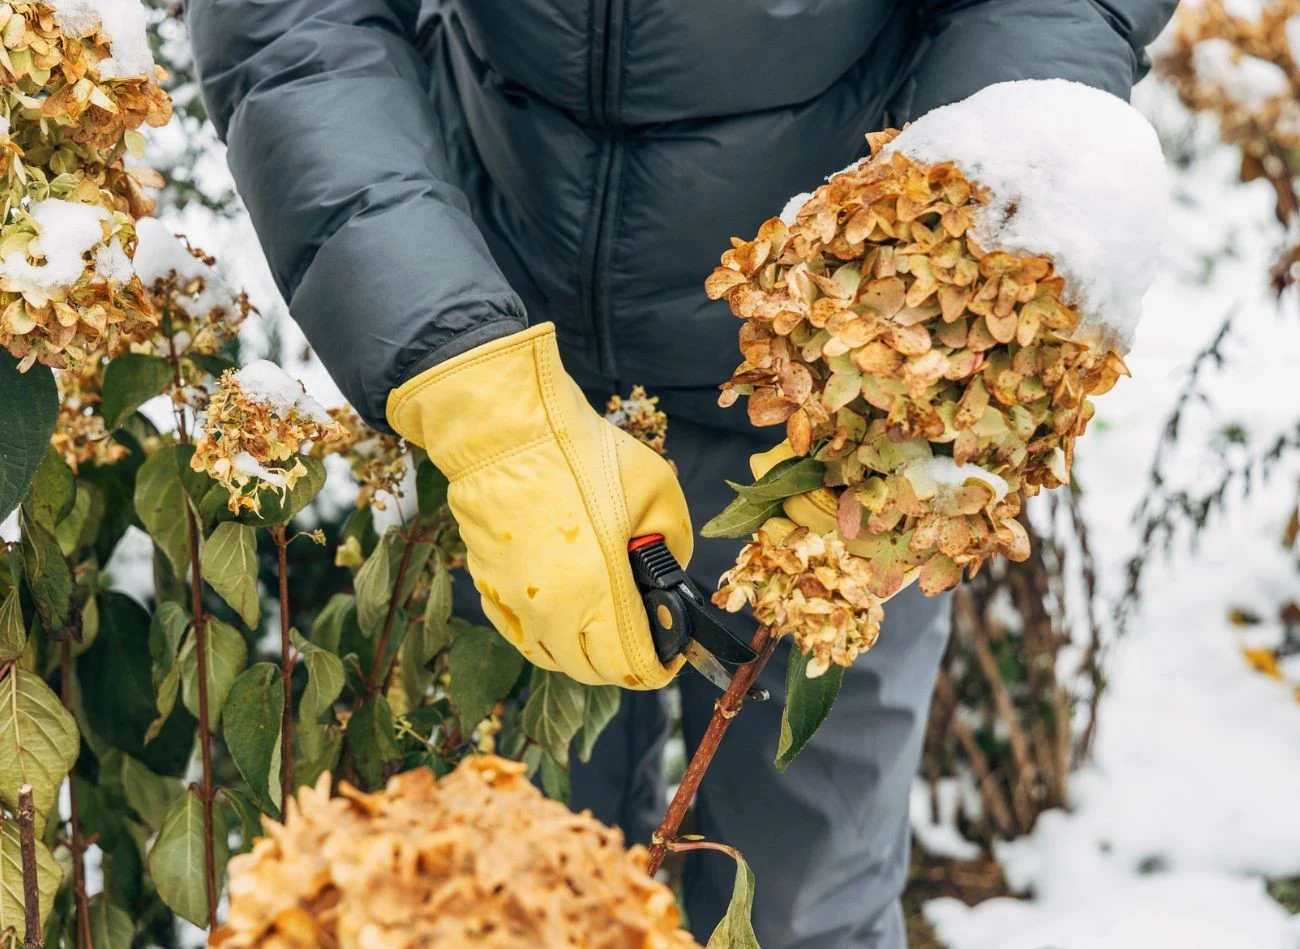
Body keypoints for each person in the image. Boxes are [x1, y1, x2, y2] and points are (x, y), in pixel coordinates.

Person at [187, 2, 1177, 945]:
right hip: (498, 326)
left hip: (825, 406)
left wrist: (936, 329)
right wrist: (471, 387)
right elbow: (290, 21)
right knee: (491, 876)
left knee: (803, 908)